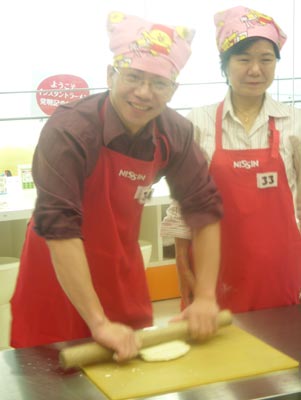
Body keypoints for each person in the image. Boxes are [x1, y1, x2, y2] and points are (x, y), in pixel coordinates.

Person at [11, 11, 223, 360]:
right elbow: (60, 228)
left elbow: (204, 211)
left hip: (120, 273)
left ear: (173, 89)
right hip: (56, 277)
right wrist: (97, 322)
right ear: (111, 74)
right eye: (134, 77)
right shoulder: (70, 130)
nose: (144, 93)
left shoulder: (174, 132)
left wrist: (205, 297)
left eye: (159, 83)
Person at [161, 5, 301, 313]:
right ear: (225, 66)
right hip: (213, 271)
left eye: (266, 59)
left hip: (279, 268)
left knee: (282, 350)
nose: (255, 70)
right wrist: (182, 267)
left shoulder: (295, 122)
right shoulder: (197, 122)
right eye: (243, 59)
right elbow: (182, 205)